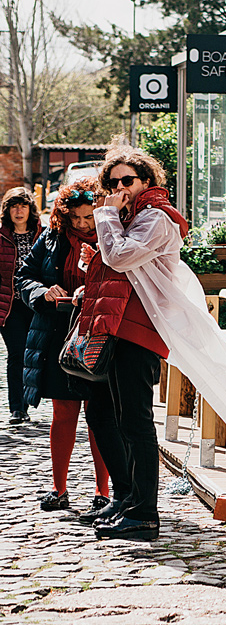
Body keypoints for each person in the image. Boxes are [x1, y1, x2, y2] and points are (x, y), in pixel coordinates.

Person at [81, 145, 226, 541]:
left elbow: (120, 257)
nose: (119, 188)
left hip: (141, 329)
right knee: (115, 418)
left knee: (135, 421)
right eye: (112, 183)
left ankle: (144, 513)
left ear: (146, 181)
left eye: (127, 180)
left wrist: (105, 217)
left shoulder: (156, 217)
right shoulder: (131, 217)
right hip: (120, 326)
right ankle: (129, 500)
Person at [18, 178, 111, 517]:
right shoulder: (52, 237)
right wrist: (43, 292)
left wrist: (95, 284)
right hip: (58, 334)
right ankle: (59, 489)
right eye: (76, 217)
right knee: (63, 413)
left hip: (100, 335)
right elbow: (24, 276)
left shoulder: (112, 236)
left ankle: (103, 491)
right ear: (65, 214)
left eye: (89, 217)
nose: (83, 224)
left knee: (99, 415)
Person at [1, 187, 42, 425]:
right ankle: (18, 408)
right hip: (10, 306)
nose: (19, 211)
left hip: (37, 305)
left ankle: (33, 400)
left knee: (35, 355)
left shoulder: (43, 235)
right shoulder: (1, 237)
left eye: (23, 206)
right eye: (14, 206)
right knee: (17, 354)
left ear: (30, 209)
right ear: (7, 211)